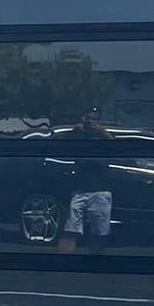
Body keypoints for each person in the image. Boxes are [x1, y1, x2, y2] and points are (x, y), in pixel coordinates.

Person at [61, 107, 114, 254]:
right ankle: (63, 262)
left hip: (100, 189)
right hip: (80, 189)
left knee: (99, 233)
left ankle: (95, 262)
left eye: (94, 120)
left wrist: (102, 133)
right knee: (70, 229)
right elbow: (63, 146)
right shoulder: (78, 135)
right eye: (87, 119)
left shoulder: (104, 137)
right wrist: (74, 131)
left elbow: (118, 148)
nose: (90, 122)